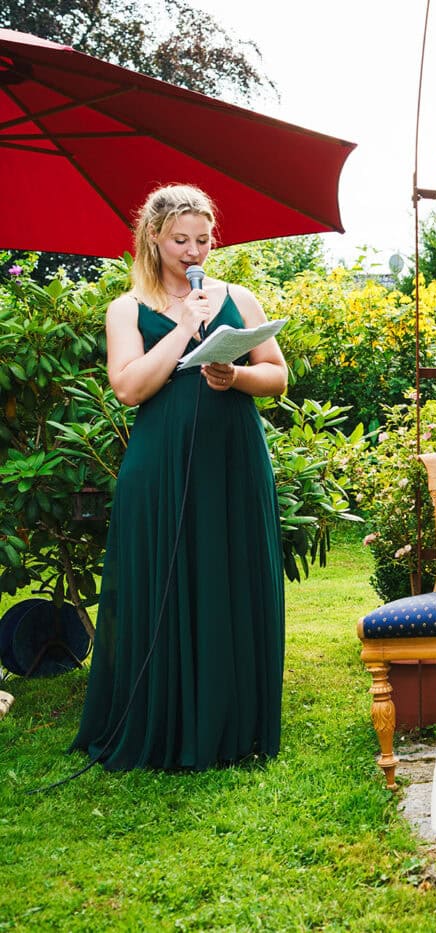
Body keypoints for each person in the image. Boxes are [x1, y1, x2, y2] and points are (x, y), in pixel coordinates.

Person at [72, 184, 288, 770]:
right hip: (160, 459)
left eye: (203, 239)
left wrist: (234, 377)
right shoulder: (127, 307)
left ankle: (234, 720)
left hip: (232, 458)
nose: (194, 252)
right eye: (180, 241)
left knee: (228, 572)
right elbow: (128, 388)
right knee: (164, 575)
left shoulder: (240, 298)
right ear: (154, 238)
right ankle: (162, 716)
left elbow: (276, 376)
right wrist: (180, 327)